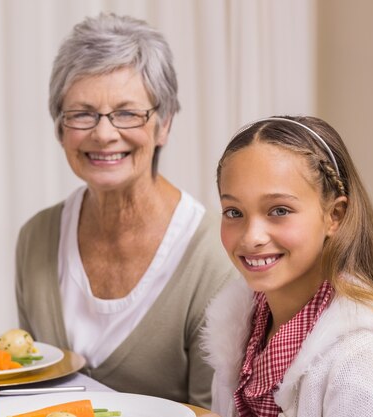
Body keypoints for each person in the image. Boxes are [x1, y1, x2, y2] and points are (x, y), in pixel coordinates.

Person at [14, 13, 238, 408]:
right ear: (60, 129)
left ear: (163, 124)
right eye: (82, 113)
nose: (103, 133)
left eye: (127, 113)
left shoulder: (211, 257)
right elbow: (30, 394)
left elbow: (213, 413)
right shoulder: (36, 238)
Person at [201, 116, 373, 417]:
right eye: (234, 212)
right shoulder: (242, 327)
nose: (252, 237)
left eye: (279, 210)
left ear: (335, 215)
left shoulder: (361, 362)